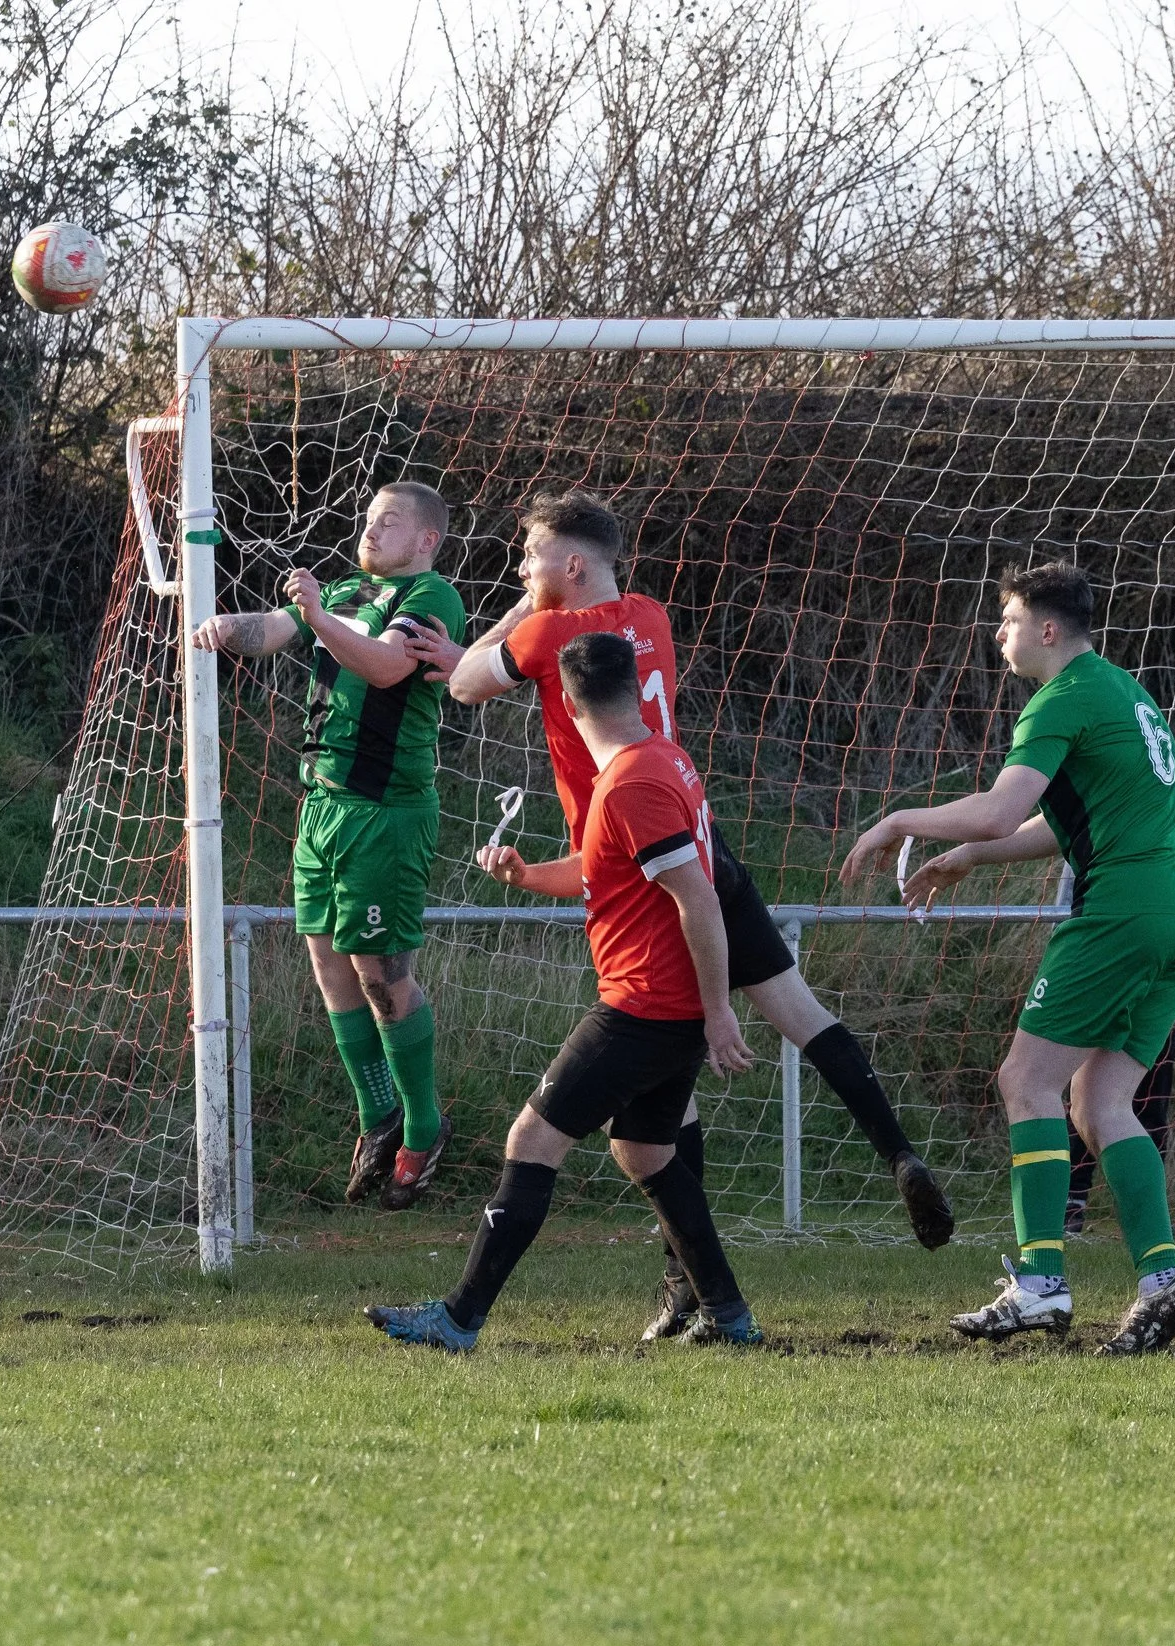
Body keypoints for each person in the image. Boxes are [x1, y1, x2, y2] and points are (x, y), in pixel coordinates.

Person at [408, 491, 954, 1331]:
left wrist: (519, 610)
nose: (522, 571)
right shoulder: (651, 616)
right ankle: (890, 1157)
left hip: (637, 855)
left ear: (574, 567)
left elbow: (465, 687)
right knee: (782, 1029)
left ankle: (495, 1313)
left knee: (630, 1080)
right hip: (699, 834)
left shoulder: (550, 629)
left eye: (531, 556)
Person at [365, 631, 766, 1350]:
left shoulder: (634, 780)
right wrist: (526, 876)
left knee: (533, 1137)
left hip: (645, 1005)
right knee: (644, 1153)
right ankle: (731, 1317)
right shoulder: (659, 759)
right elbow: (605, 866)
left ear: (567, 704)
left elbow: (697, 901)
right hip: (663, 1005)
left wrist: (717, 1013)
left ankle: (458, 1318)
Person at [853, 561, 1175, 1355]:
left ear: (1047, 630)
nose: (998, 634)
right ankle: (1164, 1283)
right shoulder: (1124, 692)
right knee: (1100, 1101)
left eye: (1008, 620)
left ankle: (1040, 1284)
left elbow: (999, 809)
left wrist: (899, 822)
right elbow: (1073, 822)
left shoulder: (1062, 697)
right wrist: (975, 862)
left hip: (1119, 912)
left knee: (1026, 1081)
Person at [189, 481, 467, 1211]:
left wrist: (315, 614)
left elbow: (384, 666)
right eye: (370, 518)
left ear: (426, 540)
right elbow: (277, 629)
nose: (372, 530)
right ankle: (378, 1118)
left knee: (382, 975)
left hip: (386, 812)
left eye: (391, 521)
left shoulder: (430, 598)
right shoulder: (343, 587)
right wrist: (222, 626)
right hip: (322, 808)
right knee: (329, 966)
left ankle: (423, 1126)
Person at [1067, 1030, 1175, 1236]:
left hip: (1157, 1009)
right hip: (1103, 1006)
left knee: (1152, 1109)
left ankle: (1150, 1211)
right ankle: (1071, 1201)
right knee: (1088, 1102)